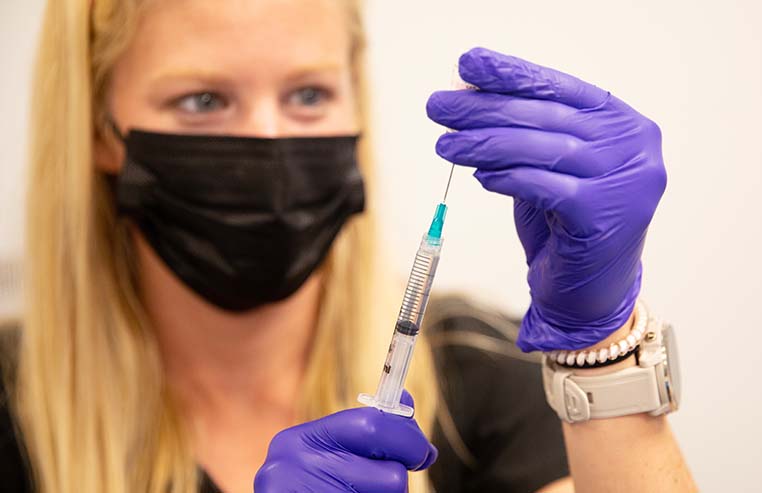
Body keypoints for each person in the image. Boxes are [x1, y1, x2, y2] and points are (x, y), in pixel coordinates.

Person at [0, 0, 697, 492]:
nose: (271, 141)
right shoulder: (13, 411)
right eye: (203, 101)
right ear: (97, 128)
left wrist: (600, 347)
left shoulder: (475, 376)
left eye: (308, 93)